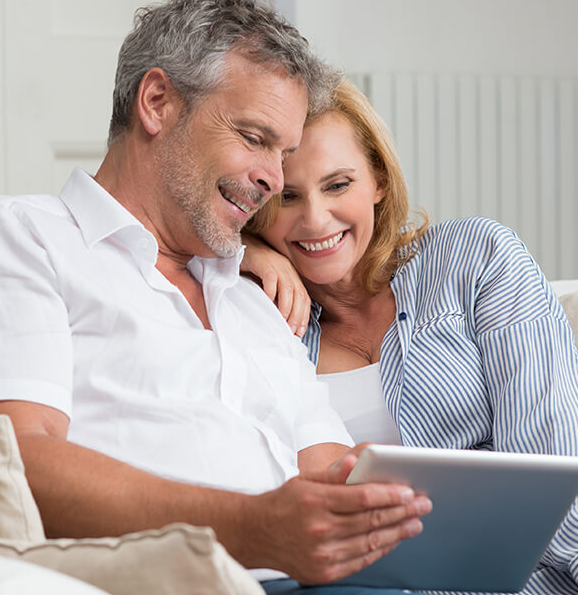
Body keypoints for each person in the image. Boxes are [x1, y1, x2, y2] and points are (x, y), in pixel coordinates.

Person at [0, 0, 432, 590]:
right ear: (158, 103)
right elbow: (14, 459)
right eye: (254, 137)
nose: (274, 179)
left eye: (283, 153)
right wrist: (250, 527)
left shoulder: (257, 299)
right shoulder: (24, 238)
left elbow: (331, 472)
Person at [243, 79, 578, 593]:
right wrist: (240, 254)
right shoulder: (257, 312)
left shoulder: (477, 260)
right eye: (287, 196)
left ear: (377, 178)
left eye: (337, 185)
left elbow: (554, 477)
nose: (314, 220)